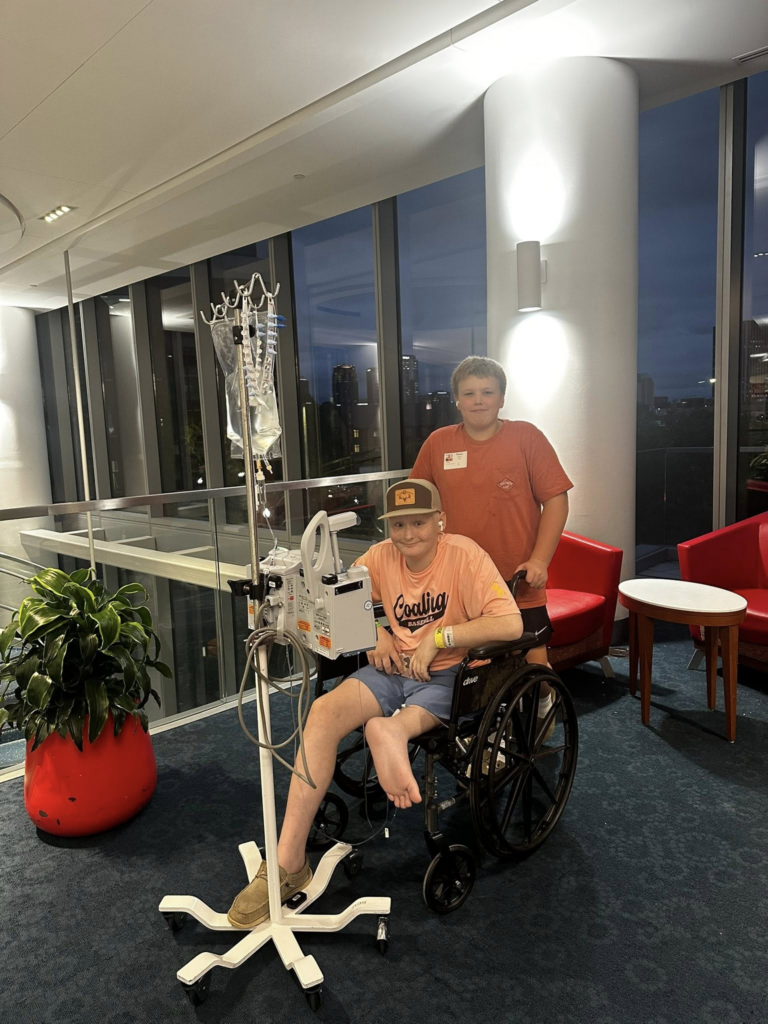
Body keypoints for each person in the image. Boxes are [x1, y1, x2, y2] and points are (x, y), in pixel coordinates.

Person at [228, 478, 523, 929]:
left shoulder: (465, 556)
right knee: (322, 714)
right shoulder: (381, 557)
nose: (408, 534)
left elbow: (510, 624)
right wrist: (376, 632)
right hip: (392, 669)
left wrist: (440, 638)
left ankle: (391, 731)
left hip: (451, 674)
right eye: (398, 525)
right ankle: (288, 863)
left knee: (410, 713)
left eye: (419, 523)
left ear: (440, 521)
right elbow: (343, 599)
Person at [410, 356, 573, 721]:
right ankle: (482, 724)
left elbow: (557, 501)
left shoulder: (526, 437)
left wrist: (540, 560)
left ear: (502, 398)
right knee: (470, 661)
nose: (478, 400)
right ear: (456, 399)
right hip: (457, 577)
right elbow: (415, 503)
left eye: (487, 392)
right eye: (469, 393)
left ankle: (544, 701)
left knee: (532, 659)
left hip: (516, 575)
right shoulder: (438, 443)